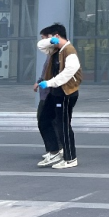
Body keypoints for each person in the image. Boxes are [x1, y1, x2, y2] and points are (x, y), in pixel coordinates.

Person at [33, 23, 81, 169]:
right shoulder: (55, 49)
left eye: (49, 38)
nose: (46, 41)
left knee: (63, 125)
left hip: (65, 93)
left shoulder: (69, 51)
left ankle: (70, 158)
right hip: (55, 91)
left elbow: (68, 73)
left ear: (57, 36)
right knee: (44, 119)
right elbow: (40, 45)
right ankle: (54, 151)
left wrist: (49, 83)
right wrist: (51, 40)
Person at [33, 30, 61, 168]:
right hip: (46, 93)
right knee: (47, 121)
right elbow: (46, 72)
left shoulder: (59, 54)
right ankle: (54, 149)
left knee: (45, 121)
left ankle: (56, 150)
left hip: (52, 93)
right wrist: (39, 81)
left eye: (44, 38)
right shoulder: (51, 54)